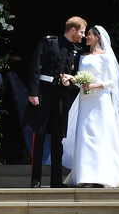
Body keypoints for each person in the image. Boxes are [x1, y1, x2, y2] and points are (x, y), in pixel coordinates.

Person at [61, 25, 119, 188]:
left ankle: (103, 175)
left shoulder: (106, 57)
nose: (86, 37)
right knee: (85, 135)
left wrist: (95, 86)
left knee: (100, 134)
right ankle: (86, 176)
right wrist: (73, 78)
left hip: (100, 100)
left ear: (98, 37)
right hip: (85, 100)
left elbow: (113, 81)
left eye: (89, 34)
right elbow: (81, 78)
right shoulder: (83, 57)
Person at [22, 16, 87, 188]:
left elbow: (76, 76)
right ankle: (35, 179)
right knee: (40, 137)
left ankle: (56, 180)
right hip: (43, 94)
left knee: (58, 139)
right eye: (81, 32)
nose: (83, 36)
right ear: (72, 30)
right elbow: (36, 66)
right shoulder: (49, 42)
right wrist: (33, 93)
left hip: (61, 97)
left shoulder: (76, 50)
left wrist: (70, 82)